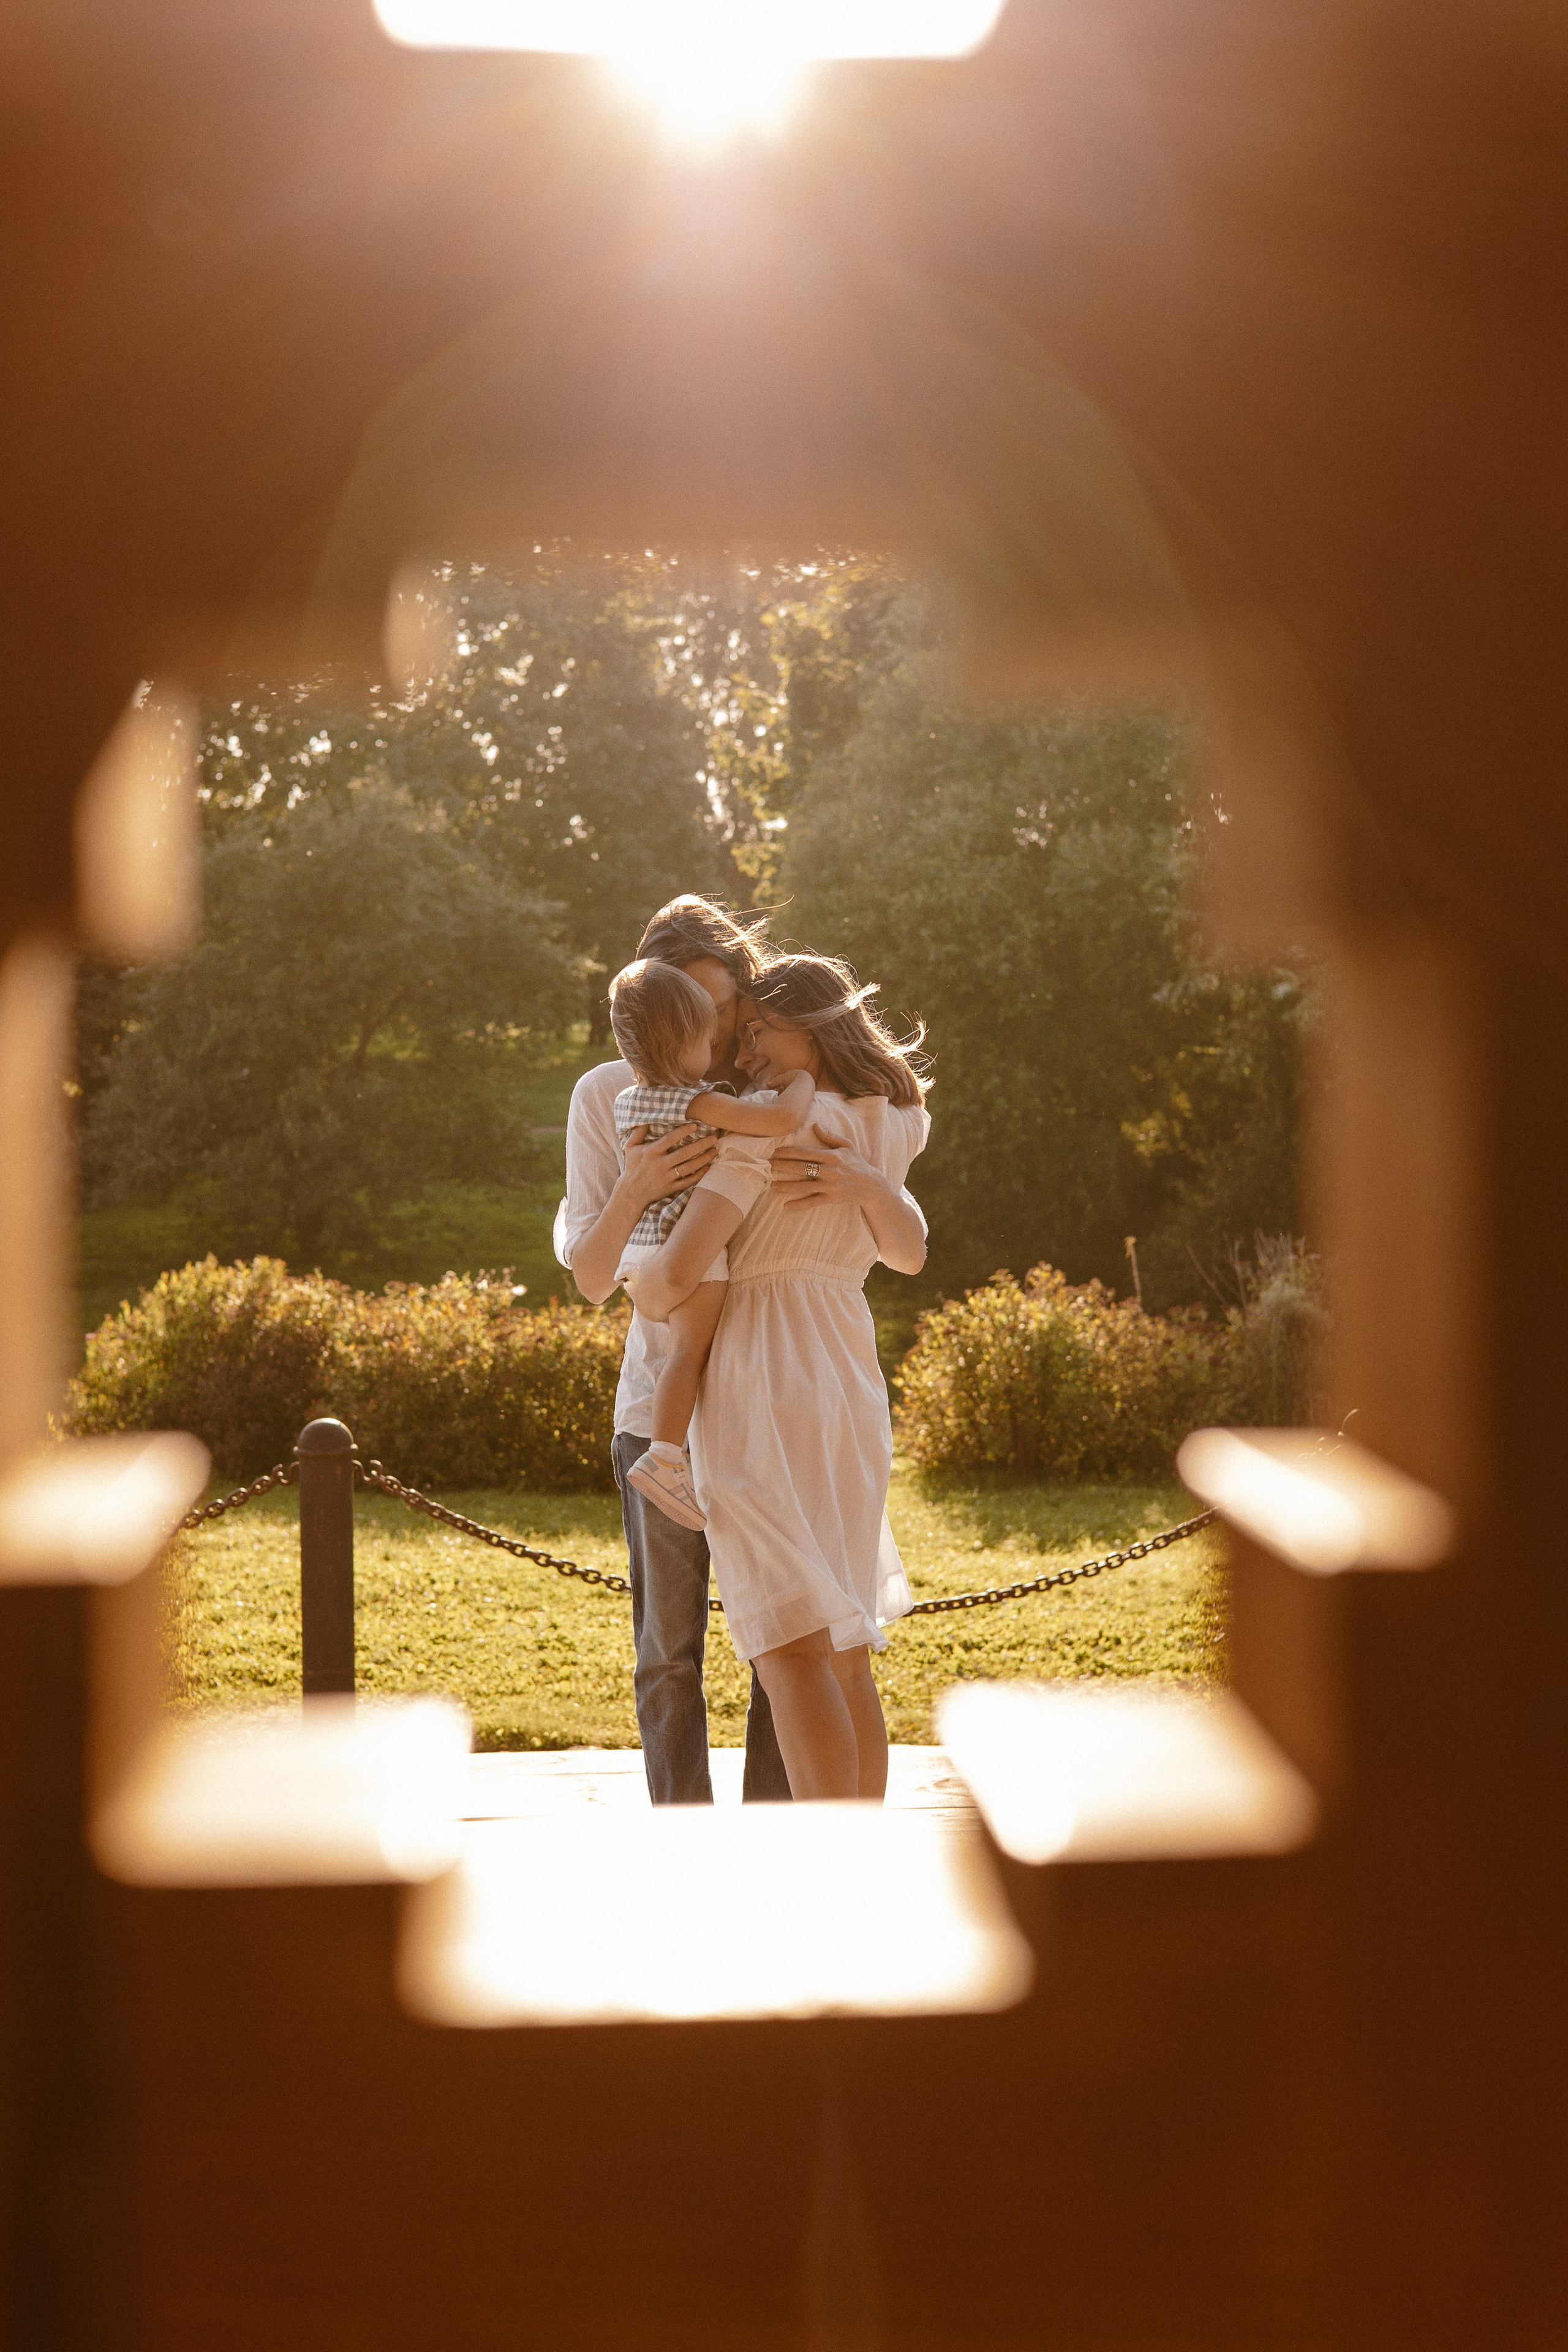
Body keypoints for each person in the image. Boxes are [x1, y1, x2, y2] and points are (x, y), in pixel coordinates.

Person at [630, 953, 931, 1803]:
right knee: (840, 1649)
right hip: (846, 1372)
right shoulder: (890, 1121)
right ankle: (862, 1862)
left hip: (760, 1380)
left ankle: (829, 1872)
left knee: (789, 1648)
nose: (750, 1046)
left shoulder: (768, 1129)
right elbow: (907, 1254)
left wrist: (641, 1276)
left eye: (764, 1028)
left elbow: (679, 1271)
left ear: (816, 1027)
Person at [553, 894, 793, 1806]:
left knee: (785, 1641)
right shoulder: (602, 1097)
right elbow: (588, 1272)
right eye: (693, 1005)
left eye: (726, 1005)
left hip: (767, 1399)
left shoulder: (763, 1091)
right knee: (669, 1655)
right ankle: (681, 1844)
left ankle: (779, 1841)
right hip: (658, 1406)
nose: (714, 1024)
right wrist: (639, 1185)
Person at [604, 956, 815, 1529]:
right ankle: (667, 1458)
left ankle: (670, 1455)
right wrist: (801, 1085)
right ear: (681, 1048)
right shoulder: (690, 1100)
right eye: (703, 1039)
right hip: (684, 1247)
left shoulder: (631, 1100)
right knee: (689, 1354)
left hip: (645, 1246)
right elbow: (772, 1123)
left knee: (684, 1351)